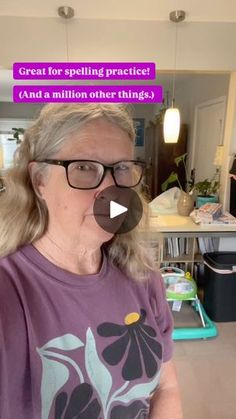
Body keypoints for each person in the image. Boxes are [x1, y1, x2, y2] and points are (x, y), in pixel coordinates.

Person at [0, 103, 182, 419]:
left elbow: (167, 388)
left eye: (123, 168)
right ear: (39, 180)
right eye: (84, 167)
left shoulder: (142, 273)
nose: (111, 190)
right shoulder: (9, 292)